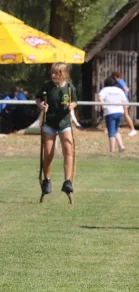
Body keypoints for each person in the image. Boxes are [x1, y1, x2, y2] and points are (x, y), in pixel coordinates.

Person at [35, 63, 78, 196]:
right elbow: (37, 98)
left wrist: (72, 105)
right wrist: (41, 106)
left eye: (57, 73)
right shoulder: (47, 87)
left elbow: (75, 101)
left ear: (64, 74)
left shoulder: (70, 88)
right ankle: (47, 180)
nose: (53, 75)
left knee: (68, 149)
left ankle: (67, 181)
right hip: (50, 124)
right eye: (52, 73)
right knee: (48, 153)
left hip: (65, 123)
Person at [98, 77, 128, 152]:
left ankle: (112, 150)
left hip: (110, 112)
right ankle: (121, 146)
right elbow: (125, 101)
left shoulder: (105, 90)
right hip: (120, 112)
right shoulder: (119, 90)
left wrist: (103, 105)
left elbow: (100, 97)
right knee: (116, 130)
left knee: (111, 132)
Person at [112, 72, 137, 137]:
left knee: (126, 115)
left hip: (123, 101)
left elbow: (126, 89)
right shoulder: (120, 81)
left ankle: (133, 129)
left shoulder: (120, 81)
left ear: (115, 76)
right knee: (119, 113)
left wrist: (123, 95)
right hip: (121, 100)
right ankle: (116, 128)